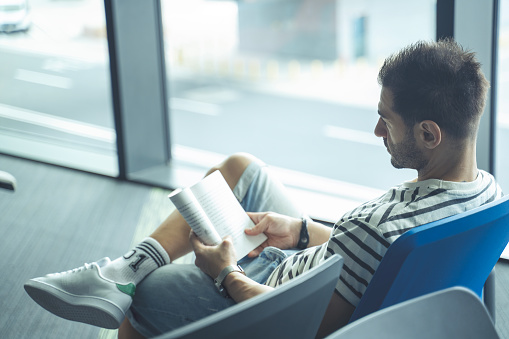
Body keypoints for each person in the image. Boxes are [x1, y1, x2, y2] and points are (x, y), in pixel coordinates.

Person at [24, 39, 502, 338]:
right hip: (312, 260)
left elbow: (306, 326)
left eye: (387, 119)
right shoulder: (487, 195)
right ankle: (123, 270)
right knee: (240, 167)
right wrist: (297, 231)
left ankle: (131, 282)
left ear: (428, 134)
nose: (378, 131)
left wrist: (226, 273)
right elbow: (364, 257)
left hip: (273, 293)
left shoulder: (380, 231)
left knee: (150, 295)